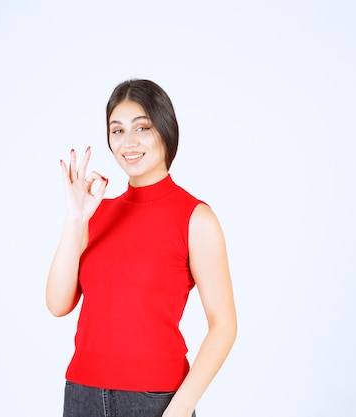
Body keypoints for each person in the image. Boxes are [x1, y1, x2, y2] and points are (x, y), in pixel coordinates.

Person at [46, 79, 237, 417]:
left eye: (142, 128)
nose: (128, 142)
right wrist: (75, 219)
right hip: (81, 396)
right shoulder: (97, 212)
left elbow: (223, 325)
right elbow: (58, 303)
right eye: (116, 131)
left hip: (154, 400)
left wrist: (179, 409)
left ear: (165, 130)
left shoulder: (196, 219)